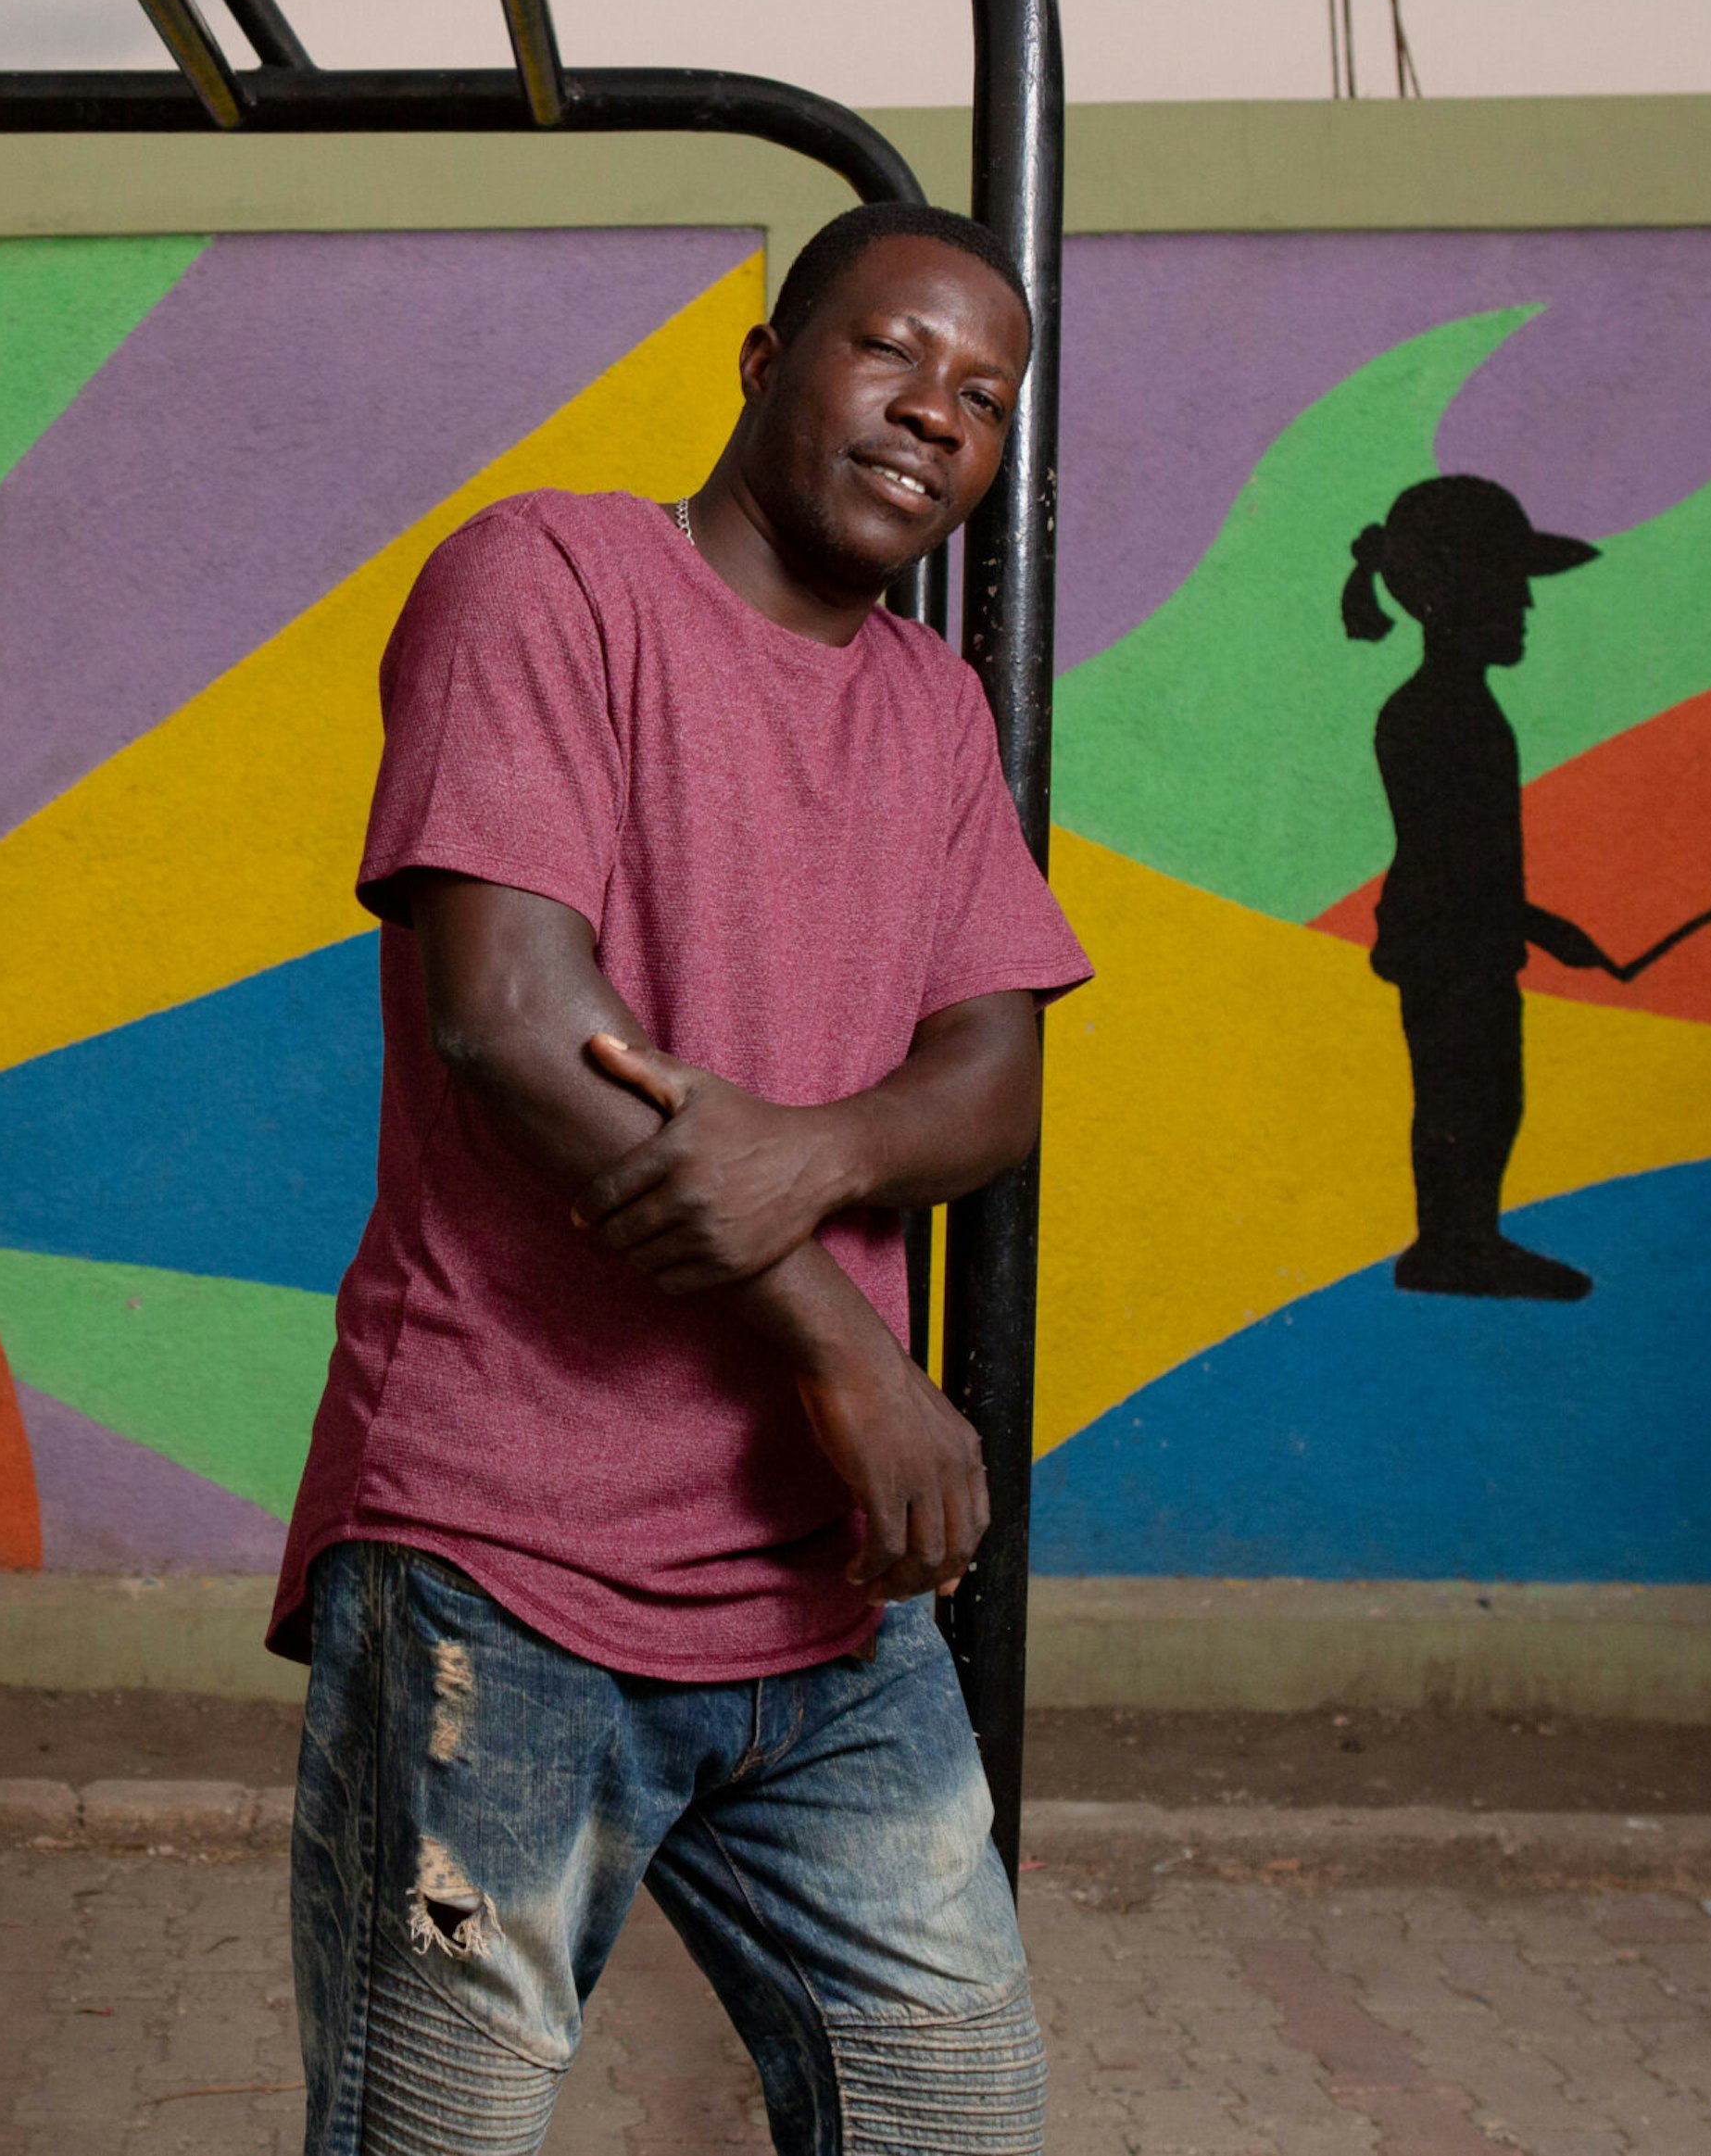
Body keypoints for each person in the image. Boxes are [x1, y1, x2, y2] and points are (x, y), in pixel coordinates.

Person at [272, 202, 1089, 2155]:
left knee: (953, 2119)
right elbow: (514, 1016)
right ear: (764, 359)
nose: (933, 415)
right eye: (892, 350)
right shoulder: (550, 577)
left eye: (983, 397)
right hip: (504, 1580)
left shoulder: (930, 705)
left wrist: (810, 1144)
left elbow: (997, 1079)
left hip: (830, 1608)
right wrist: (847, 1349)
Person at [1341, 475, 1610, 1300]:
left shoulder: (1455, 708)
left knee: (1485, 1089)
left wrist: (1534, 922)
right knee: (1467, 1089)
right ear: (1458, 595)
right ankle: (1456, 1240)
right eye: (1511, 588)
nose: (1525, 608)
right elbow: (1447, 856)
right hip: (1451, 944)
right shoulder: (1437, 712)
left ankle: (1466, 1234)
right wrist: (1530, 922)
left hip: (1467, 938)